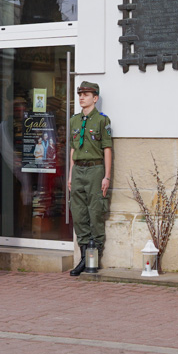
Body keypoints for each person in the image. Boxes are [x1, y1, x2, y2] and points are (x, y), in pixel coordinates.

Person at [68, 81, 112, 276]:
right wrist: (70, 175)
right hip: (78, 170)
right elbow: (72, 149)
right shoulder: (74, 120)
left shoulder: (102, 120)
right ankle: (83, 256)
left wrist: (107, 176)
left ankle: (94, 257)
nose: (81, 97)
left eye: (86, 94)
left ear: (95, 98)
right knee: (78, 213)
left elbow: (107, 149)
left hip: (95, 169)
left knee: (95, 211)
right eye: (80, 94)